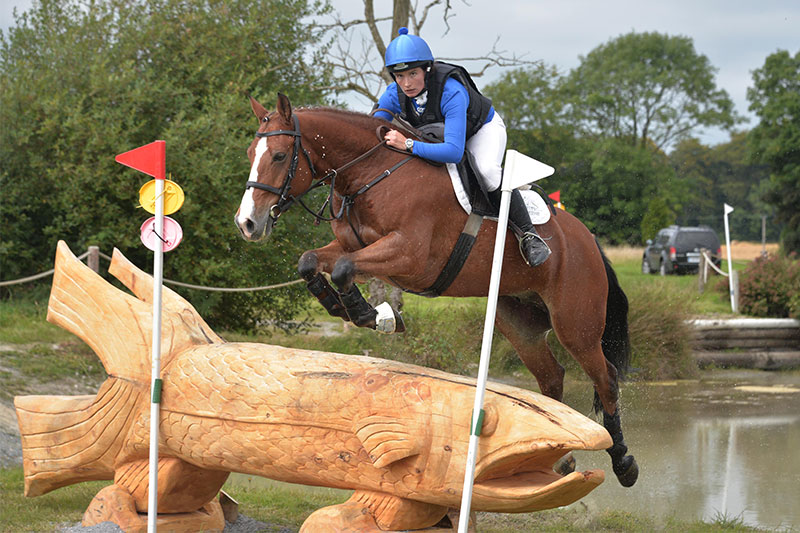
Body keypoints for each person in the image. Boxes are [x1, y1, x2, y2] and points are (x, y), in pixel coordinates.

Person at [373, 27, 551, 267]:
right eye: (399, 76)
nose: (406, 83)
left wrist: (407, 144)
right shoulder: (393, 94)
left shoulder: (451, 91)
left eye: (412, 74)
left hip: (480, 131)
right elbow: (371, 128)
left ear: (427, 68)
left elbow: (454, 153)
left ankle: (530, 236)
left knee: (487, 173)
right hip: (440, 137)